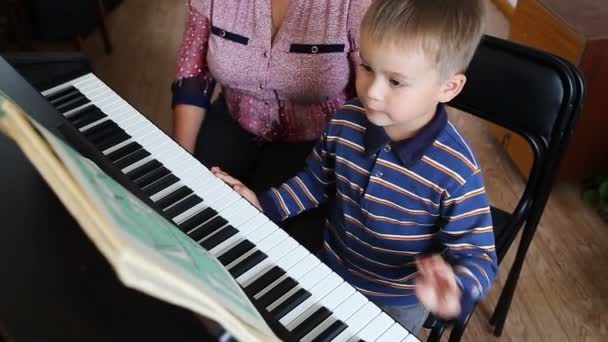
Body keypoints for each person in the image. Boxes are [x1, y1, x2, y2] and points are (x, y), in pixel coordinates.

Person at [212, 0, 498, 335]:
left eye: (396, 82)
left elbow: (478, 254)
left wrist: (456, 290)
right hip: (330, 268)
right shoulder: (347, 120)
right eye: (367, 67)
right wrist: (264, 204)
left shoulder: (456, 171)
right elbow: (315, 182)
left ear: (448, 87)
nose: (372, 92)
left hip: (395, 303)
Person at [171, 0, 371, 251]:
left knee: (283, 246)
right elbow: (193, 76)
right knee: (190, 216)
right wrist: (179, 164)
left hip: (317, 146)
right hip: (235, 120)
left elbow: (373, 95)